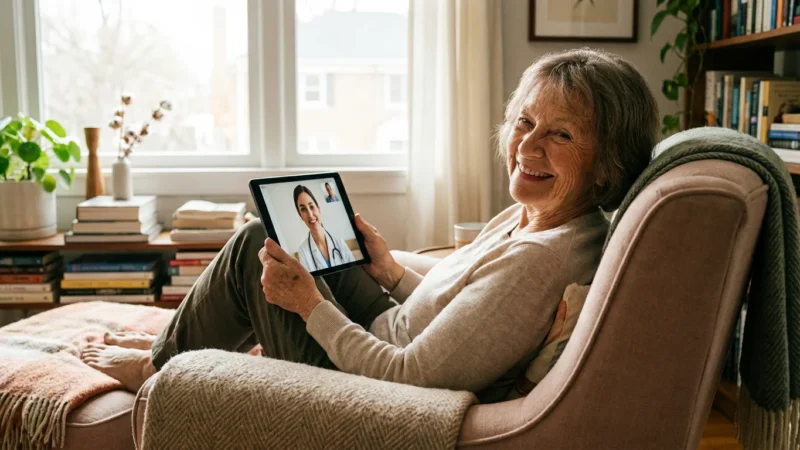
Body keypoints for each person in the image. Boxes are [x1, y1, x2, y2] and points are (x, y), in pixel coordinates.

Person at [81, 48, 659, 402]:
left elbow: (409, 376)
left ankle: (155, 368)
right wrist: (390, 271)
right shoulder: (536, 219)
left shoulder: (541, 262)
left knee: (260, 243)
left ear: (605, 163)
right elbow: (462, 313)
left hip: (367, 381)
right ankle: (172, 350)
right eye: (525, 122)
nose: (526, 146)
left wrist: (311, 306)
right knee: (277, 236)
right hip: (385, 330)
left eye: (560, 134)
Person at [293, 185, 356, 271]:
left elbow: (355, 270)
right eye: (303, 209)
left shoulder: (338, 240)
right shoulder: (303, 251)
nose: (310, 215)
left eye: (311, 206)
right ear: (301, 216)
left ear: (318, 208)